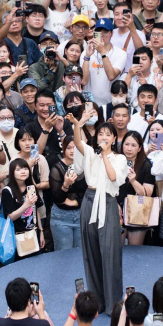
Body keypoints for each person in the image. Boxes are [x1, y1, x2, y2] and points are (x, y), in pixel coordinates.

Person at [69, 103, 127, 314]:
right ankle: (97, 302)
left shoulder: (119, 158)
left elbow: (114, 178)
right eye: (100, 133)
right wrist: (78, 124)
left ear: (114, 138)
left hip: (108, 202)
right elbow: (77, 142)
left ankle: (114, 304)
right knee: (90, 252)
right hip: (89, 199)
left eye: (108, 134)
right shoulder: (90, 153)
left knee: (110, 253)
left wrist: (104, 155)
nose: (103, 136)